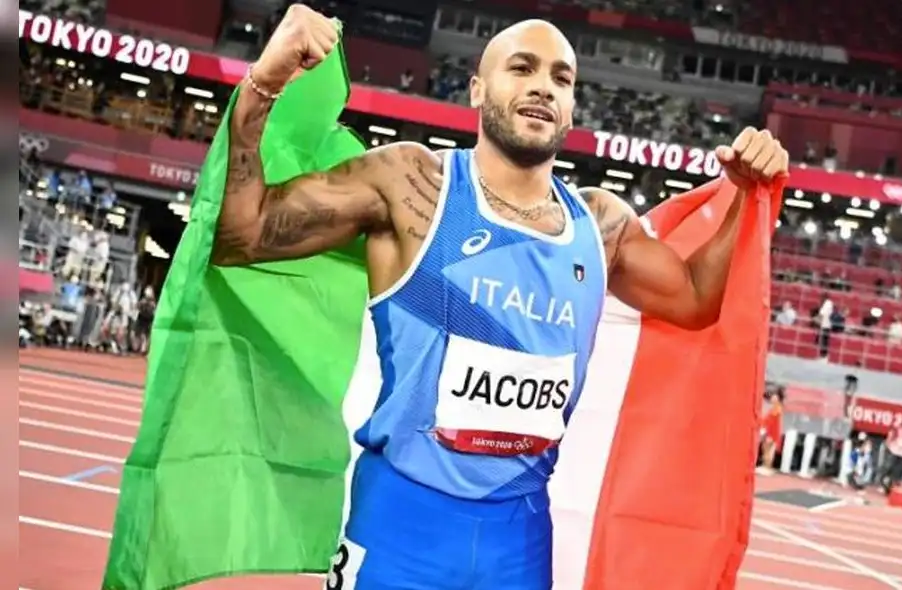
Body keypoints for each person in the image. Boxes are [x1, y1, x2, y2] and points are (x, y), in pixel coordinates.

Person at [212, 6, 789, 589]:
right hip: (401, 526)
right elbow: (242, 235)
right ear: (477, 89)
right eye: (523, 68)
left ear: (570, 108)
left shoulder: (600, 226)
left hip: (519, 540)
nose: (543, 85)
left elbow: (695, 300)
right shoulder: (412, 186)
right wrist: (266, 81)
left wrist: (746, 193)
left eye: (561, 79)